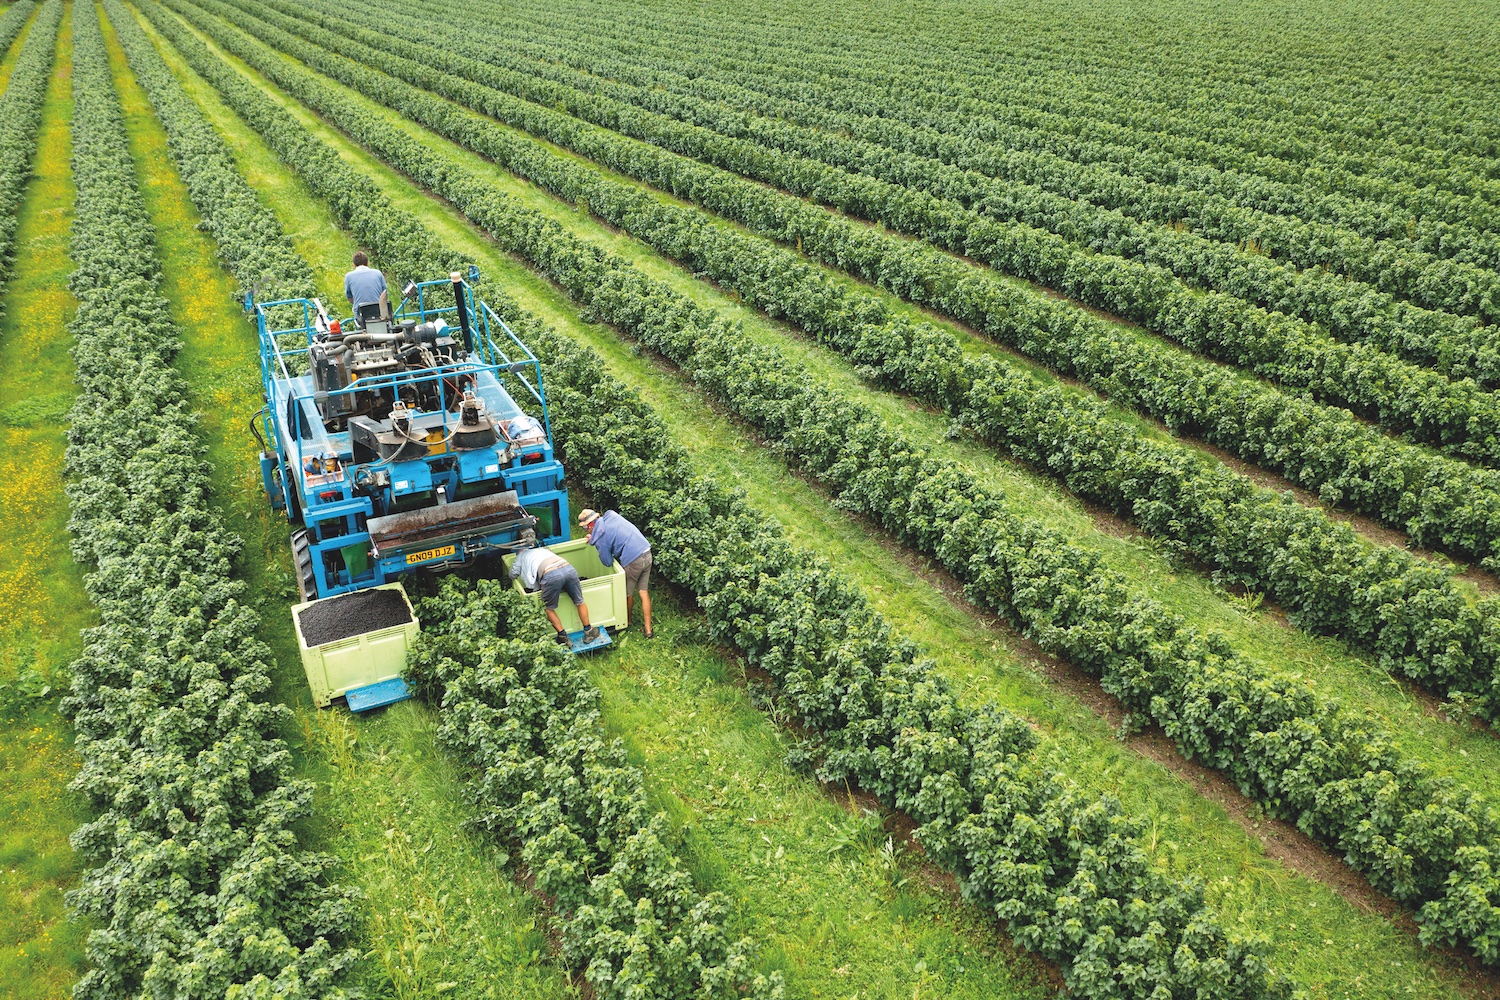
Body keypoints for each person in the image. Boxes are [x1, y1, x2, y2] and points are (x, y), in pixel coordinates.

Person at [578, 508, 652, 638]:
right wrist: (594, 537)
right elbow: (608, 531)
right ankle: (648, 630)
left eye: (585, 528)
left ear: (590, 524)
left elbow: (607, 561)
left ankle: (627, 621)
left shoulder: (601, 539)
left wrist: (596, 541)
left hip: (633, 560)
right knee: (643, 591)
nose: (586, 531)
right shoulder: (611, 516)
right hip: (646, 551)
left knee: (626, 593)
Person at [510, 543, 601, 645]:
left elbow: (513, 574)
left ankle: (563, 636)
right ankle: (589, 631)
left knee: (548, 608)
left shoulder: (520, 556)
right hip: (568, 569)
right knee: (579, 601)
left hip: (550, 575)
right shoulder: (541, 550)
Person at [343, 251, 389, 322]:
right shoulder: (378, 273)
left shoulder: (349, 276)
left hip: (361, 315)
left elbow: (349, 297)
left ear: (354, 265)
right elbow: (385, 294)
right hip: (379, 313)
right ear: (368, 263)